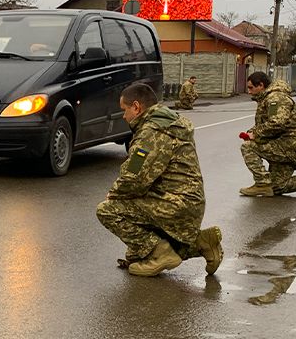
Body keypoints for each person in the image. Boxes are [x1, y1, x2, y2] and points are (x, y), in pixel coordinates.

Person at [95, 82, 223, 277]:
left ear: (136, 107)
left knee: (107, 210)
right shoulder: (170, 121)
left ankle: (161, 255)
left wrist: (114, 194)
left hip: (174, 205)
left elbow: (135, 179)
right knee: (136, 253)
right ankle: (202, 243)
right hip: (188, 203)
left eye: (124, 109)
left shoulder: (151, 132)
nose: (123, 115)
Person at [238, 72, 296, 198]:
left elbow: (277, 123)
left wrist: (256, 134)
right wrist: (252, 132)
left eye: (251, 87)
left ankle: (262, 183)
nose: (249, 91)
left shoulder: (275, 98)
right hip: (284, 143)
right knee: (277, 187)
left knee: (248, 147)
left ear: (261, 85)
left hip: (289, 145)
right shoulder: (268, 97)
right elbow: (268, 122)